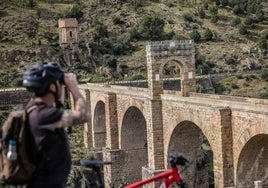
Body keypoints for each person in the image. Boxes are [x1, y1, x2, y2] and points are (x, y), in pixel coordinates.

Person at [21, 62, 90, 188]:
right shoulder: (44, 116)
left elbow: (57, 105)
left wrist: (60, 85)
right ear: (52, 88)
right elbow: (84, 116)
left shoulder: (33, 110)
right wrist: (74, 89)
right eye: (60, 85)